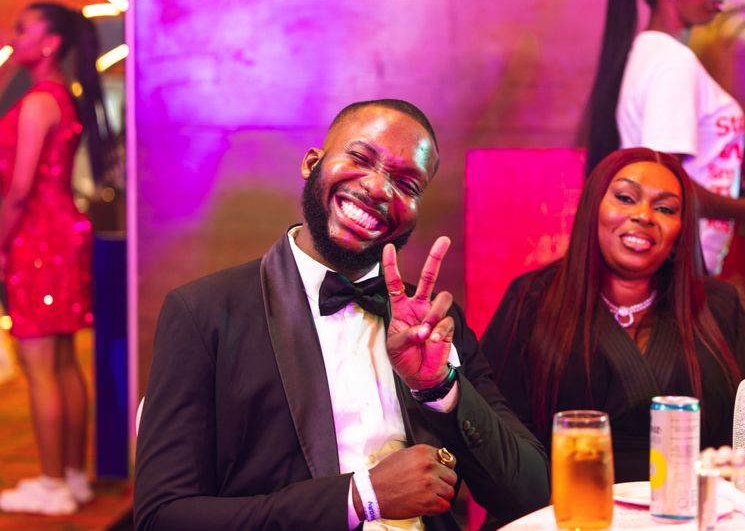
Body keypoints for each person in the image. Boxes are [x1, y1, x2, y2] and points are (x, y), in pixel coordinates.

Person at [133, 99, 551, 531]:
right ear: (312, 163)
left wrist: (438, 388)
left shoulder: (433, 324)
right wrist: (359, 498)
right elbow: (162, 517)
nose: (378, 188)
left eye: (406, 184)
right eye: (361, 158)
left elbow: (532, 496)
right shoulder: (204, 314)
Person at [481, 148, 745, 484]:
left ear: (680, 230)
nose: (644, 216)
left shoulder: (718, 307)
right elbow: (495, 430)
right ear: (593, 208)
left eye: (665, 209)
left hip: (695, 506)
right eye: (625, 198)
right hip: (566, 506)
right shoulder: (532, 299)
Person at [0, 3, 115, 516]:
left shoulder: (37, 102)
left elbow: (19, 189)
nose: (12, 35)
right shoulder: (60, 96)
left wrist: (1, 243)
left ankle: (51, 485)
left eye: (23, 29)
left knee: (40, 364)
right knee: (62, 361)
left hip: (37, 237)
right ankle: (71, 476)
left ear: (49, 43)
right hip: (63, 232)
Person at [584, 0, 745, 275]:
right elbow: (663, 186)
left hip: (674, 260)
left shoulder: (651, 53)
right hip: (678, 262)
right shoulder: (673, 64)